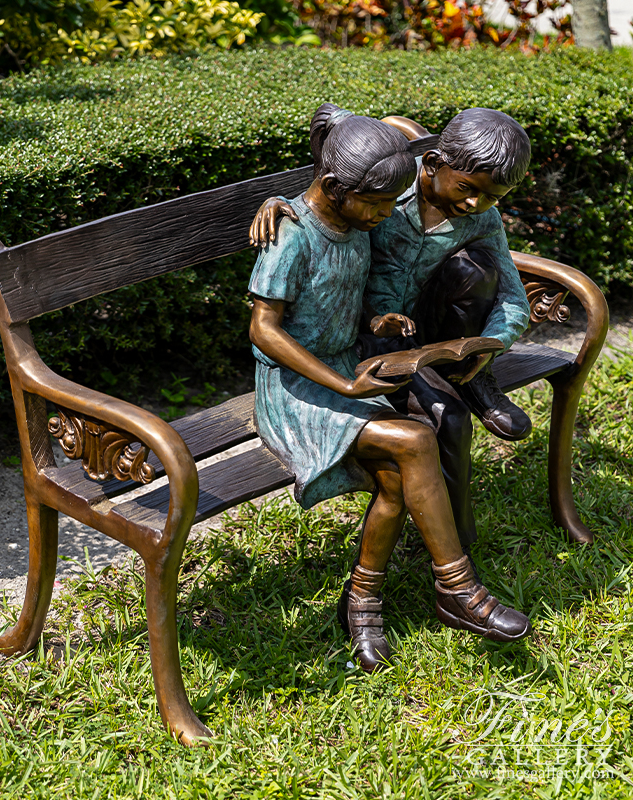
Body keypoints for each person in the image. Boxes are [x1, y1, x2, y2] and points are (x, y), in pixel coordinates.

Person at [249, 102, 531, 673]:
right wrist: (345, 384)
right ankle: (457, 589)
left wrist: (388, 327)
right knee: (414, 443)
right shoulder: (315, 227)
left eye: (384, 206)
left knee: (405, 469)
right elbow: (262, 328)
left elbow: (349, 145)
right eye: (376, 206)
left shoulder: (357, 223)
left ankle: (363, 600)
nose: (383, 216)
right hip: (300, 384)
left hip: (358, 360)